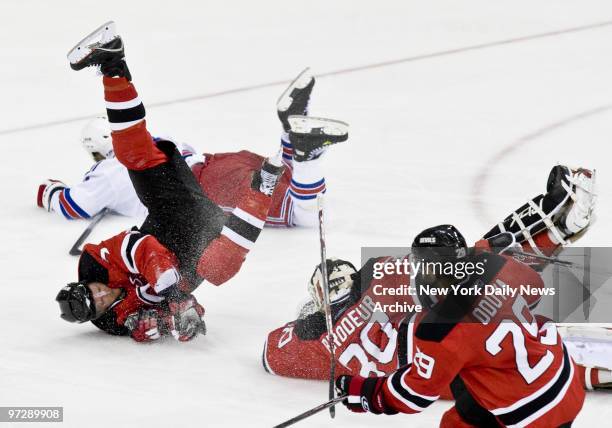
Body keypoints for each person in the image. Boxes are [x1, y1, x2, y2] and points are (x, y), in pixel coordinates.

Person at [53, 22, 348, 342]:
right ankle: (290, 147)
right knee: (219, 267)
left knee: (299, 214)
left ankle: (112, 66)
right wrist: (177, 317)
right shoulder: (114, 318)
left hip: (177, 210)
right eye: (96, 305)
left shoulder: (95, 258)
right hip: (206, 203)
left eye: (90, 292)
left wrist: (169, 292)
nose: (99, 296)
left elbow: (140, 247)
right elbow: (145, 323)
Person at [264, 165, 601, 426]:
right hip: (454, 355)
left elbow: (271, 353)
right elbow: (487, 268)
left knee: (486, 363)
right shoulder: (378, 278)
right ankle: (554, 220)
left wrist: (357, 387)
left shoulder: (321, 350)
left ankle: (591, 373)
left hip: (432, 369)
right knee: (480, 261)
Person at [37, 66, 344, 227]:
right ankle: (293, 133)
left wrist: (48, 190)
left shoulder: (110, 170)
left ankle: (305, 153)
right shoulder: (152, 141)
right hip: (221, 163)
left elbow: (73, 206)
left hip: (208, 189)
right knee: (287, 182)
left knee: (305, 216)